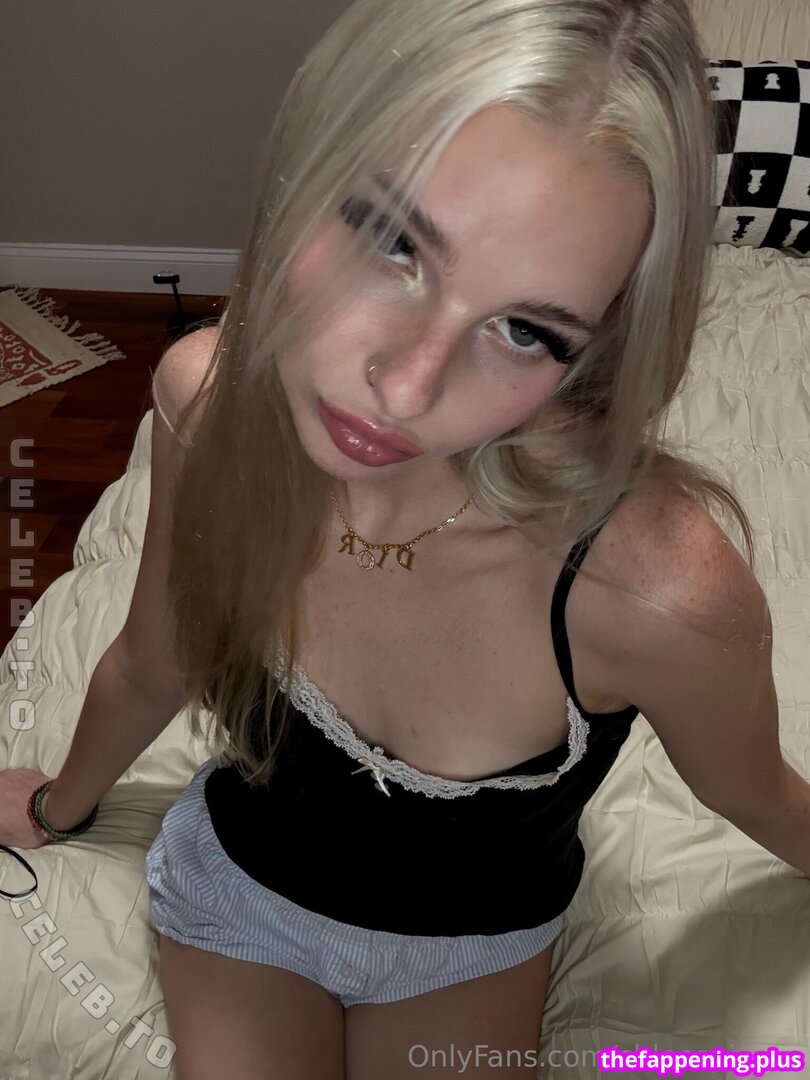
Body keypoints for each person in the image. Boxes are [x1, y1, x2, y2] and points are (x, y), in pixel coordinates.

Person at [2, 0, 802, 1077]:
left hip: (472, 948)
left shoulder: (658, 592)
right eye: (393, 241)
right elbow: (157, 654)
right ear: (306, 164)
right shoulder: (208, 404)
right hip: (240, 894)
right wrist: (53, 805)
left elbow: (752, 792)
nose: (408, 386)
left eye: (526, 330)